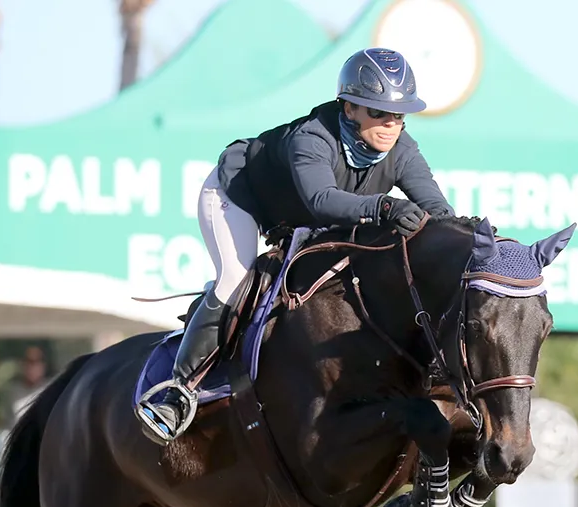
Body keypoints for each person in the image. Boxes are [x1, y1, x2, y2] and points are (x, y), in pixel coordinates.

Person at [135, 47, 456, 445]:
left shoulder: (403, 150)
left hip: (301, 223)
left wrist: (466, 235)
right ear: (349, 108)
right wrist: (385, 205)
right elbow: (321, 200)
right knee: (237, 278)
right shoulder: (312, 137)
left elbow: (437, 209)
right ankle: (177, 391)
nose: (391, 125)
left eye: (400, 115)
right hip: (236, 195)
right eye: (379, 113)